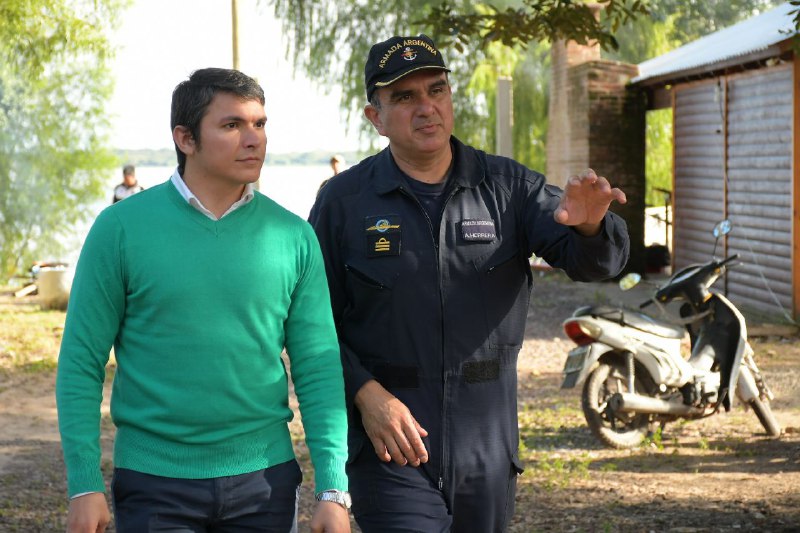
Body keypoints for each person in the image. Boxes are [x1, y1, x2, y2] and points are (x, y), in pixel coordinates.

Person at [308, 34, 630, 533]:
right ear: (376, 117)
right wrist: (365, 394)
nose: (426, 107)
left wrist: (590, 227)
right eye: (405, 97)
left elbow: (594, 263)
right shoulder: (343, 201)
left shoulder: (509, 188)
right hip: (392, 441)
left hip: (487, 440)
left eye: (436, 90)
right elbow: (312, 324)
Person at [57, 68, 351, 533]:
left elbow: (317, 364)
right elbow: (80, 361)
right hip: (154, 482)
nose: (254, 139)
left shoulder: (293, 235)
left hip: (265, 481)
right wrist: (83, 483)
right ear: (185, 138)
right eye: (232, 125)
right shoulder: (120, 229)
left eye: (260, 124)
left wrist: (333, 488)